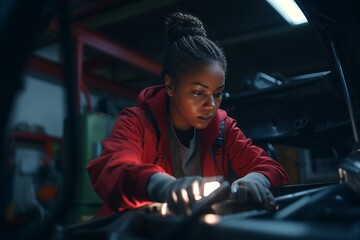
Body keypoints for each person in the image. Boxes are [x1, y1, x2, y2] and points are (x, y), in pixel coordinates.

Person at [87, 12, 289, 217]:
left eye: (217, 93)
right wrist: (163, 186)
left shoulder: (223, 128)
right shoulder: (136, 121)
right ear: (170, 86)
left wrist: (255, 179)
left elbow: (270, 167)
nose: (211, 105)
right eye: (198, 92)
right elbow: (111, 171)